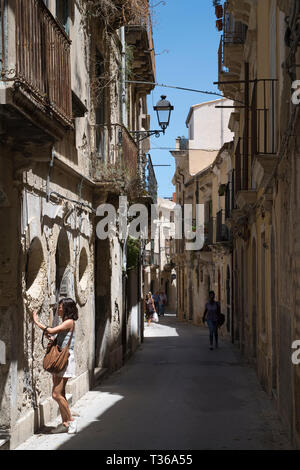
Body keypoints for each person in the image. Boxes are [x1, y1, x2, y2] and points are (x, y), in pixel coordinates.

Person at [32, 297, 78, 434]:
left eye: (61, 306)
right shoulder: (65, 322)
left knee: (55, 394)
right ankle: (65, 423)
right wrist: (53, 339)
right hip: (60, 359)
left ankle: (72, 420)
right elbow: (57, 336)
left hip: (65, 360)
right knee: (61, 392)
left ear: (67, 308)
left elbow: (52, 330)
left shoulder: (69, 322)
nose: (59, 308)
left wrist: (36, 322)